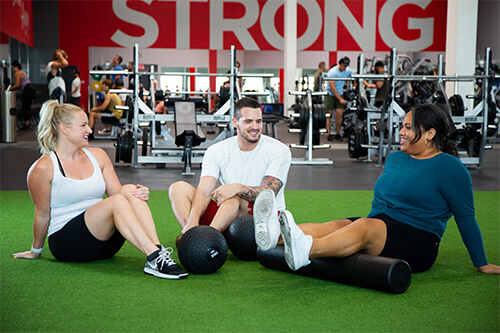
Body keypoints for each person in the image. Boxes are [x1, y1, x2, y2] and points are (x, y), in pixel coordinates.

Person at [254, 103, 500, 275]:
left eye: (407, 127)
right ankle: (272, 238)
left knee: (362, 226)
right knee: (341, 224)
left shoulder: (450, 168)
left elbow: (466, 217)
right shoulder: (395, 158)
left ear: (429, 134)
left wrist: (482, 263)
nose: (400, 132)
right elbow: (380, 205)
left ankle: (305, 250)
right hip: (382, 225)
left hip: (420, 240)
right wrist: (360, 231)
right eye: (401, 126)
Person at [12, 100, 187, 279]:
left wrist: (139, 193)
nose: (89, 130)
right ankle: (154, 257)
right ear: (64, 129)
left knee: (129, 190)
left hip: (103, 243)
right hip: (68, 244)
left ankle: (158, 251)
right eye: (83, 125)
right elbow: (42, 213)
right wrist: (36, 250)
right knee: (118, 200)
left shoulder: (98, 156)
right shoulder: (43, 167)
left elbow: (118, 194)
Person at [169, 97, 292, 249]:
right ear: (235, 122)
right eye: (248, 122)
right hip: (227, 217)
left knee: (233, 197)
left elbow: (269, 193)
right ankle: (192, 235)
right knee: (178, 188)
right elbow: (204, 191)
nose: (255, 127)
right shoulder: (217, 150)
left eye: (258, 121)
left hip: (263, 221)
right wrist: (193, 221)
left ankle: (210, 239)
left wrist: (237, 188)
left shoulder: (278, 150)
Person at [325, 57, 375, 141]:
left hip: (340, 93)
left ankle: (337, 133)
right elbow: (332, 88)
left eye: (346, 66)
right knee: (329, 114)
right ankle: (328, 134)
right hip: (330, 94)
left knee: (339, 114)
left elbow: (358, 77)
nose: (344, 68)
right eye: (343, 66)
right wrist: (340, 99)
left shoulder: (348, 70)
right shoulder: (332, 72)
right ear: (340, 64)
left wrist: (367, 85)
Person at [9, 60, 35, 129]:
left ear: (16, 67)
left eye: (12, 68)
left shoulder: (17, 73)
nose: (13, 70)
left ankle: (27, 123)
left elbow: (17, 84)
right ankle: (27, 122)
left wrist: (9, 89)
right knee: (27, 106)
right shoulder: (23, 72)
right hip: (30, 88)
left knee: (25, 106)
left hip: (27, 89)